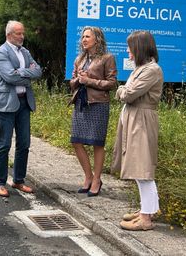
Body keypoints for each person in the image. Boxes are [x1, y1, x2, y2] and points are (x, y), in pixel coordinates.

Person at [112, 31, 163, 231]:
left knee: (143, 169)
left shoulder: (152, 70)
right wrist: (124, 90)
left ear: (139, 48)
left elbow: (129, 93)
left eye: (130, 47)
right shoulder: (142, 68)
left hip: (141, 120)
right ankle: (146, 210)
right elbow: (129, 92)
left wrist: (121, 90)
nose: (127, 51)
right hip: (135, 119)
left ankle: (146, 218)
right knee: (138, 167)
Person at [0, 20, 42, 197]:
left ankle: (18, 180)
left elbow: (39, 71)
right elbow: (9, 77)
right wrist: (26, 74)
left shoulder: (25, 52)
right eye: (18, 34)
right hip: (7, 103)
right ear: (8, 35)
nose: (22, 37)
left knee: (24, 143)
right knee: (4, 144)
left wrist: (20, 72)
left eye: (22, 33)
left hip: (24, 102)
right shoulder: (0, 52)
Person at [69, 26, 117, 197]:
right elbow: (72, 83)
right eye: (82, 36)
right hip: (81, 103)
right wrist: (77, 79)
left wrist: (88, 80)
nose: (83, 39)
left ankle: (97, 179)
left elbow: (112, 83)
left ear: (97, 39)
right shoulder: (79, 59)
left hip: (98, 104)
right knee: (76, 141)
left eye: (87, 36)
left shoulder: (107, 58)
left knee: (97, 143)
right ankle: (88, 176)